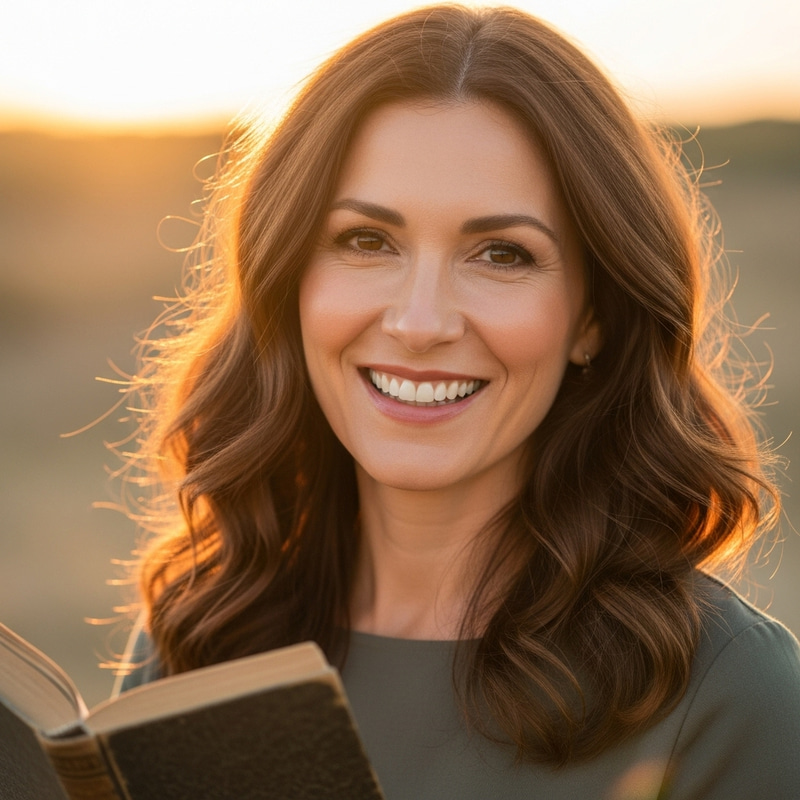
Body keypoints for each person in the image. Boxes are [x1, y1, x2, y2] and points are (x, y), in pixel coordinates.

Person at [116, 4, 800, 798]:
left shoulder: (726, 694)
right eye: (366, 241)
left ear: (593, 317)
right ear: (289, 281)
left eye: (502, 254)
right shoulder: (202, 638)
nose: (420, 323)